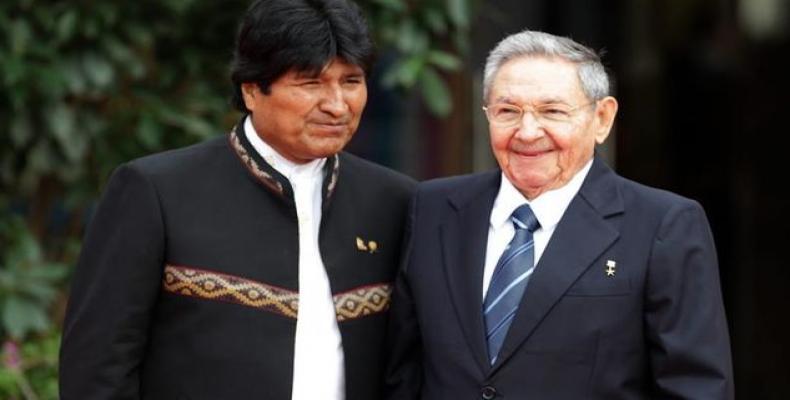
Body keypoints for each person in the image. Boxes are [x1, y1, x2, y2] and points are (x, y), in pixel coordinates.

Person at [59, 0, 415, 398]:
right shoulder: (156, 192)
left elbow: (410, 365)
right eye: (310, 83)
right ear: (251, 90)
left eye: (351, 81)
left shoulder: (395, 201)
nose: (336, 105)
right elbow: (97, 370)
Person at [385, 30, 733, 399]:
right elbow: (402, 375)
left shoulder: (664, 225)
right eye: (507, 111)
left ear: (602, 118)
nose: (528, 132)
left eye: (552, 111)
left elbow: (696, 388)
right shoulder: (433, 209)